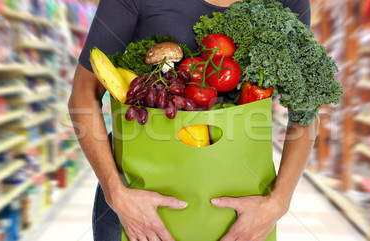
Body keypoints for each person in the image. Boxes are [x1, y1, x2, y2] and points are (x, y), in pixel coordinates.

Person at [69, 0, 315, 240]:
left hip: (243, 212)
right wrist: (117, 194)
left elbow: (306, 110)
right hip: (134, 208)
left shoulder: (289, 2)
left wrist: (278, 203)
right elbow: (83, 94)